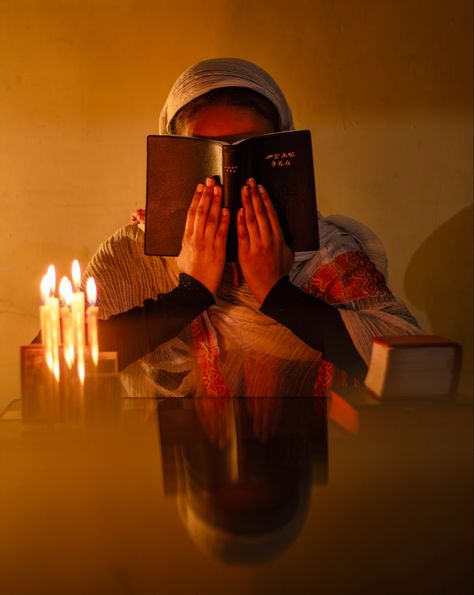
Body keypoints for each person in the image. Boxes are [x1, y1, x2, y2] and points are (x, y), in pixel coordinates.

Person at [83, 57, 421, 397]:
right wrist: (190, 294)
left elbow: (415, 369)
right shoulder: (136, 251)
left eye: (247, 149)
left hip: (321, 447)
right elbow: (58, 362)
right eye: (202, 151)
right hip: (159, 448)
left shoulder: (323, 252)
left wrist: (278, 293)